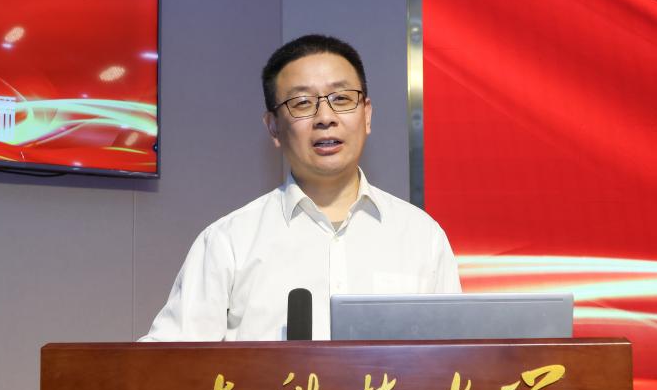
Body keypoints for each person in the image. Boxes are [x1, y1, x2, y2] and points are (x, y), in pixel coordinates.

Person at [141, 34, 460, 341]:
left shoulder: (422, 237)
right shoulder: (228, 243)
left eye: (341, 99)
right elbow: (168, 362)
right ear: (273, 127)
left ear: (367, 115)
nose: (325, 117)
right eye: (303, 103)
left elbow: (457, 359)